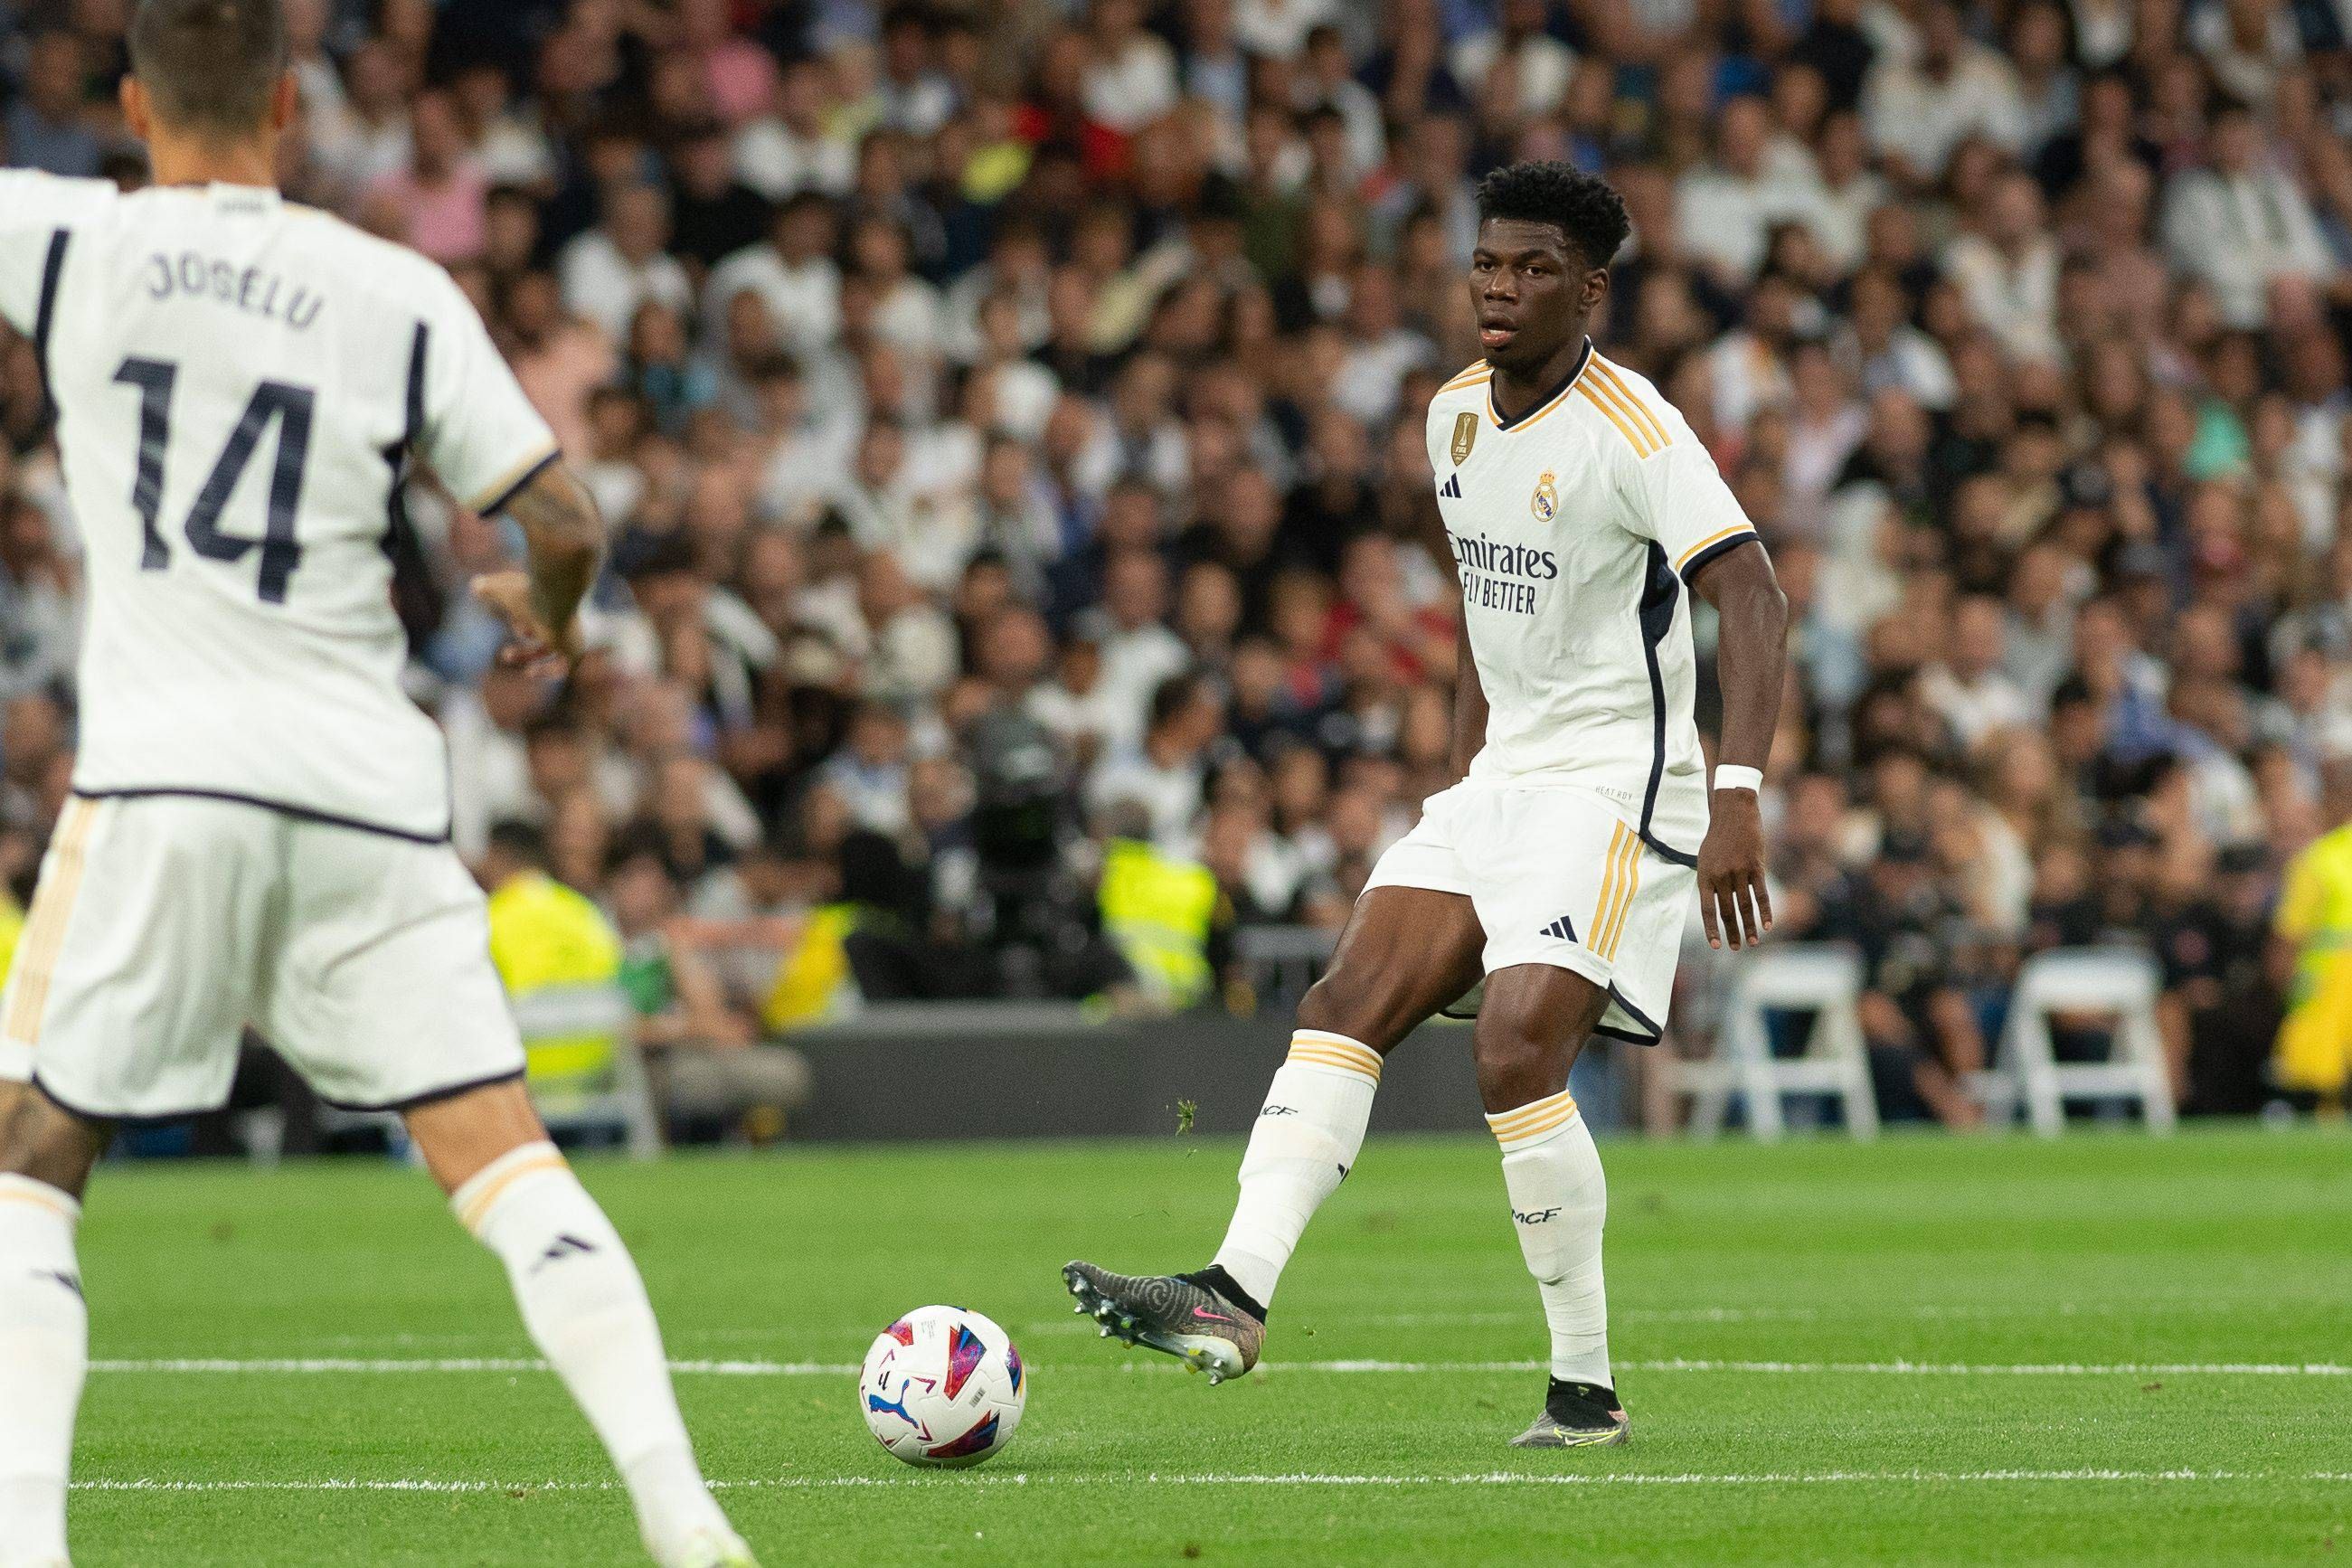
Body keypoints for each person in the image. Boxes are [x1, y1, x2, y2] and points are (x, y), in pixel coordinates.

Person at [0, 5, 755, 1566]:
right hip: (364, 785)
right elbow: (560, 512)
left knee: (28, 1155)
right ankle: (686, 1521)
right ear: (288, 104)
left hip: (167, 776)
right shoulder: (395, 291)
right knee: (499, 1145)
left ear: (134, 104)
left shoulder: (70, 241)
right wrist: (548, 614)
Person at [1063, 161, 1788, 1449]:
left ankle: (1582, 1387)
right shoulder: (1452, 416)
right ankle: (1229, 1293)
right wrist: (1462, 777)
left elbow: (1753, 593)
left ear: (1591, 291)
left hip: (1616, 778)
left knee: (1513, 1049)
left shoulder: (1636, 433)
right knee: (1342, 1001)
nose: (1499, 289)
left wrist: (1737, 791)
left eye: (1532, 270)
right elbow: (1479, 607)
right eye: (1486, 265)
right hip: (1505, 777)